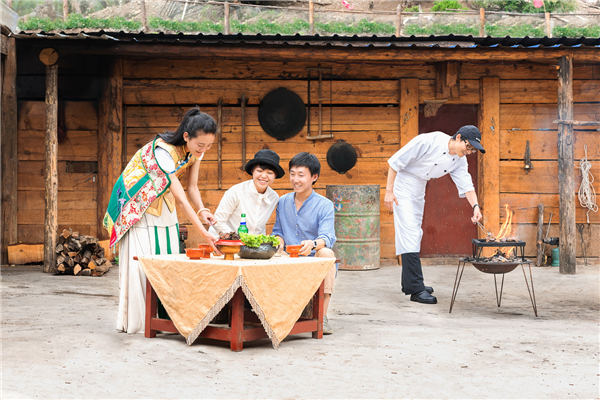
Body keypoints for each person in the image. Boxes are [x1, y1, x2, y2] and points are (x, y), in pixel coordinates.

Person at [103, 107, 219, 334]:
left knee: (168, 255)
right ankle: (138, 322)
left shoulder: (196, 151)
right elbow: (181, 198)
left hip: (161, 199)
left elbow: (192, 187)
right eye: (200, 145)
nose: (203, 150)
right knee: (142, 262)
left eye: (208, 146)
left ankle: (163, 320)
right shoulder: (163, 152)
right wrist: (203, 233)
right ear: (186, 136)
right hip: (137, 203)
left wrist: (203, 209)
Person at [384, 125, 485, 304]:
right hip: (404, 184)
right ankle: (416, 289)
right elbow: (394, 162)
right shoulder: (429, 141)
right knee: (410, 233)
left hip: (419, 187)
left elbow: (466, 185)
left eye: (472, 150)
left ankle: (410, 283)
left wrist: (476, 206)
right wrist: (389, 192)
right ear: (459, 137)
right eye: (468, 147)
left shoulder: (459, 160)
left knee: (415, 233)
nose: (469, 152)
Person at [272, 152, 337, 334]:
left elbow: (328, 237)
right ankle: (272, 314)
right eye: (292, 174)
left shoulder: (324, 205)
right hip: (288, 256)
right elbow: (278, 232)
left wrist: (314, 244)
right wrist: (278, 241)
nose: (295, 179)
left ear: (314, 177)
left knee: (327, 254)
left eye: (301, 175)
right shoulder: (283, 201)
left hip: (312, 255)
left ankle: (322, 317)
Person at [209, 149, 284, 237]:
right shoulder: (236, 192)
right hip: (225, 241)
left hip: (251, 247)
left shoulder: (273, 197)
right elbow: (218, 221)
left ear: (275, 176)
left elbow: (259, 228)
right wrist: (233, 238)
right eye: (259, 171)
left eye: (270, 173)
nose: (263, 176)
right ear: (252, 171)